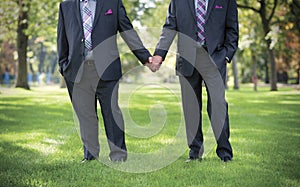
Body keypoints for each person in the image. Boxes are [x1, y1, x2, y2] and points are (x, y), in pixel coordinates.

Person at [57, 0, 153, 163]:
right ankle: (90, 156)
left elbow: (127, 31)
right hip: (76, 70)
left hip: (107, 69)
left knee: (112, 112)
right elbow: (62, 37)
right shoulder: (66, 6)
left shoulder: (112, 3)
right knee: (85, 115)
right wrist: (63, 66)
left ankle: (118, 155)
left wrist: (145, 57)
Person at [151, 0, 239, 162]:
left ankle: (225, 152)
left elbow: (232, 28)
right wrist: (159, 54)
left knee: (218, 104)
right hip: (187, 58)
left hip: (215, 57)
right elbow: (170, 27)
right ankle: (195, 152)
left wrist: (226, 54)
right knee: (191, 107)